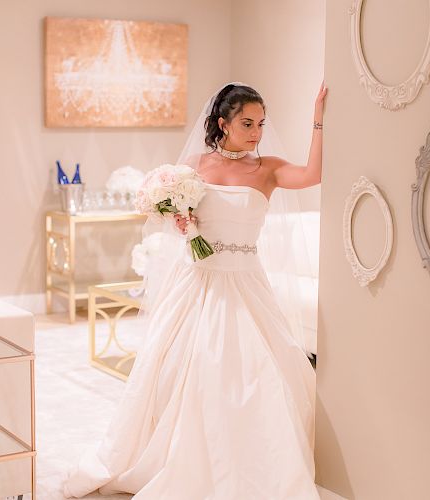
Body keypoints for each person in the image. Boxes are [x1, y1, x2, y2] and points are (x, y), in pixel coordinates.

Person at [63, 81, 328, 499]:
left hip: (245, 284)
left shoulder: (270, 168)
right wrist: (182, 223)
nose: (256, 131)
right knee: (178, 371)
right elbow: (174, 218)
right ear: (222, 123)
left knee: (259, 375)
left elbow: (314, 175)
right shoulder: (192, 169)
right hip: (197, 281)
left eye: (261, 123)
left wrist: (319, 119)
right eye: (246, 123)